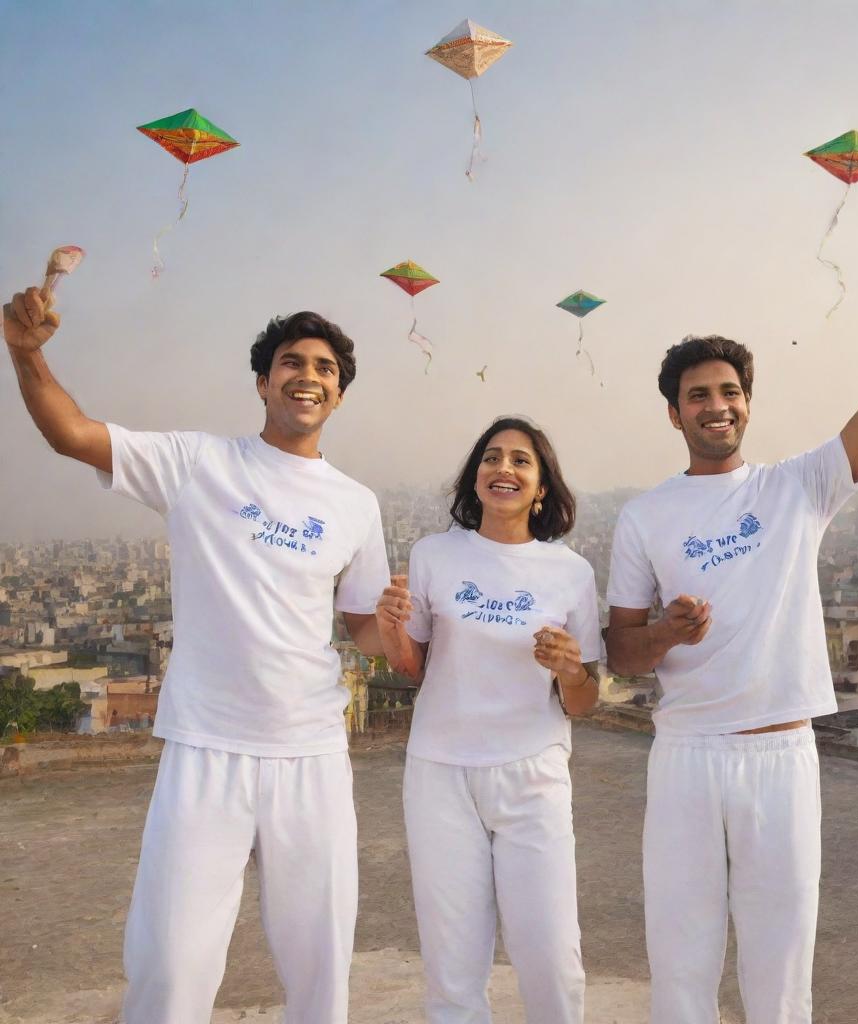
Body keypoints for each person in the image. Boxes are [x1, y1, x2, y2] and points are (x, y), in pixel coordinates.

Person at [3, 287, 391, 1023]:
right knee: (170, 965)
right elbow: (72, 434)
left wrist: (403, 633)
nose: (307, 376)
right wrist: (27, 354)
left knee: (320, 966)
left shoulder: (356, 504)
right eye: (290, 362)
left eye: (324, 367)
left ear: (339, 393)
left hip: (310, 751)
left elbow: (365, 627)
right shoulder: (198, 463)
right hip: (207, 747)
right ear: (262, 381)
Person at [605, 207, 858, 1024]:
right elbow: (622, 654)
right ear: (673, 413)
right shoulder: (643, 517)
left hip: (781, 754)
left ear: (748, 404)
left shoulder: (797, 489)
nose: (717, 405)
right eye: (698, 395)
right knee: (681, 962)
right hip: (685, 758)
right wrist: (667, 633)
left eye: (730, 392)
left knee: (782, 970)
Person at [375, 416, 601, 1024]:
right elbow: (413, 666)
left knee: (551, 957)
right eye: (492, 458)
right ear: (475, 477)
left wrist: (570, 670)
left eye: (521, 461)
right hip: (441, 773)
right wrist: (393, 627)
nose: (504, 469)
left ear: (542, 487)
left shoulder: (570, 572)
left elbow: (584, 698)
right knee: (453, 963)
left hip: (533, 774)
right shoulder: (434, 555)